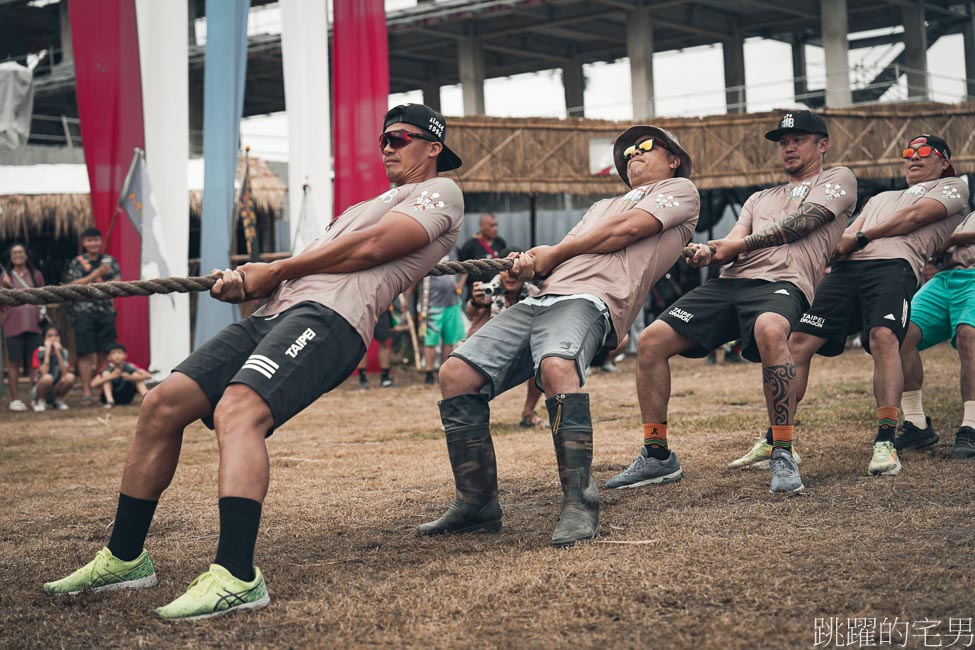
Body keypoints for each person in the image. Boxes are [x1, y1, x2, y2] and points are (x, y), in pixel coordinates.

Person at [42, 103, 464, 621]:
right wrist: (249, 279)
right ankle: (125, 558)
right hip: (276, 312)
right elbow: (315, 261)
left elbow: (374, 248)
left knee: (238, 412)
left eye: (399, 138)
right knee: (161, 403)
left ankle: (237, 576)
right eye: (383, 140)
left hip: (331, 319)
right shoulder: (370, 202)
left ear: (433, 147)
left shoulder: (442, 191)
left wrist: (275, 268)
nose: (387, 148)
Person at [421, 124, 699, 547]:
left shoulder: (680, 192)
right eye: (625, 154)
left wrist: (553, 254)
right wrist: (527, 270)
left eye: (644, 147)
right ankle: (476, 503)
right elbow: (559, 259)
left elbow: (625, 231)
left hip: (592, 300)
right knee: (456, 373)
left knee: (556, 366)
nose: (632, 156)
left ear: (674, 158)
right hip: (544, 299)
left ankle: (579, 503)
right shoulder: (601, 206)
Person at [606, 110, 856, 495]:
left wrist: (738, 245)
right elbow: (733, 240)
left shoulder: (838, 180)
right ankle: (656, 455)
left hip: (784, 283)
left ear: (822, 145)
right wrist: (709, 252)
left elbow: (803, 223)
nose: (788, 147)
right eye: (783, 142)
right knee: (653, 341)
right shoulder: (759, 198)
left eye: (799, 140)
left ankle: (782, 450)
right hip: (733, 283)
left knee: (770, 328)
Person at [768, 134, 967, 477]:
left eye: (923, 153)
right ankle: (777, 439)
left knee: (884, 338)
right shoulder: (881, 197)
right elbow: (844, 238)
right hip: (847, 271)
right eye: (907, 154)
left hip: (894, 267)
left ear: (944, 161)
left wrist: (861, 237)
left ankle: (886, 440)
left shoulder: (953, 189)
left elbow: (915, 218)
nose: (912, 159)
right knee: (798, 343)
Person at [895, 208, 975, 459]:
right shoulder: (966, 212)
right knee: (899, 333)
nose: (911, 164)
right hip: (946, 277)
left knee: (968, 335)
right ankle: (917, 423)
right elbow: (935, 247)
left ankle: (971, 426)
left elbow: (948, 240)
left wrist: (952, 238)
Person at [465, 246, 542, 426]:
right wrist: (475, 302)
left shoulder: (534, 294)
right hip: (484, 351)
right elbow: (472, 312)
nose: (510, 276)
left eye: (514, 269)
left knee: (543, 358)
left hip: (519, 353)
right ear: (499, 271)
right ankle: (465, 417)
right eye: (505, 270)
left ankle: (528, 413)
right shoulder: (488, 289)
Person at [65, 227, 121, 406]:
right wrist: (96, 275)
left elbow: (119, 283)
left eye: (96, 240)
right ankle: (87, 391)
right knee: (85, 354)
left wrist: (105, 281)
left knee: (105, 353)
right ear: (84, 243)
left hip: (106, 312)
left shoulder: (109, 260)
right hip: (83, 313)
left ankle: (102, 390)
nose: (93, 243)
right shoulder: (76, 263)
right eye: (89, 240)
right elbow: (73, 285)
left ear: (100, 241)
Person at [1, 243, 46, 411]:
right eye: (14, 253)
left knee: (34, 363)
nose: (18, 255)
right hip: (12, 326)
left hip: (34, 326)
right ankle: (15, 400)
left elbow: (44, 296)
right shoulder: (5, 276)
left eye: (21, 252)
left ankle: (35, 398)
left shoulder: (36, 275)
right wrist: (4, 287)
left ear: (26, 255)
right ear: (10, 257)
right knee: (14, 364)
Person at [422, 255, 466, 385]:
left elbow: (466, 266)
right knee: (430, 340)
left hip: (452, 304)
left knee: (449, 340)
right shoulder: (427, 251)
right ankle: (429, 373)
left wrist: (460, 284)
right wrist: (407, 299)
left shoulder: (453, 251)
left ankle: (444, 371)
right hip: (432, 305)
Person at [459, 213, 507, 296]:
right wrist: (460, 284)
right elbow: (464, 269)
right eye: (491, 226)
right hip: (477, 290)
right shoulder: (470, 245)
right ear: (481, 226)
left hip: (497, 289)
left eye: (496, 225)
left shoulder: (500, 242)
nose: (495, 228)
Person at [91, 342, 152, 408]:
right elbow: (93, 384)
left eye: (119, 352)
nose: (117, 355)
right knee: (106, 375)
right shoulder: (107, 368)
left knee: (136, 375)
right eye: (113, 353)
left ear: (125, 355)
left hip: (126, 395)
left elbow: (148, 376)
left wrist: (131, 377)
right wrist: (110, 377)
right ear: (109, 357)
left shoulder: (129, 366)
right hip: (109, 396)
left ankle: (146, 398)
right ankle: (110, 401)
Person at [31, 326, 75, 411]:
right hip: (40, 388)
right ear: (44, 339)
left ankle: (57, 400)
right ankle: (41, 401)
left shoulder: (64, 352)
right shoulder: (39, 352)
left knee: (70, 377)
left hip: (56, 387)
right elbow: (43, 373)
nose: (53, 338)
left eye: (56, 335)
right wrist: (47, 352)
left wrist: (58, 353)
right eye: (50, 336)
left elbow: (65, 374)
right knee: (48, 378)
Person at [356, 306, 397, 388]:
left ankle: (385, 378)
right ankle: (362, 379)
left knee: (384, 342)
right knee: (362, 343)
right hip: (362, 308)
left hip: (381, 308)